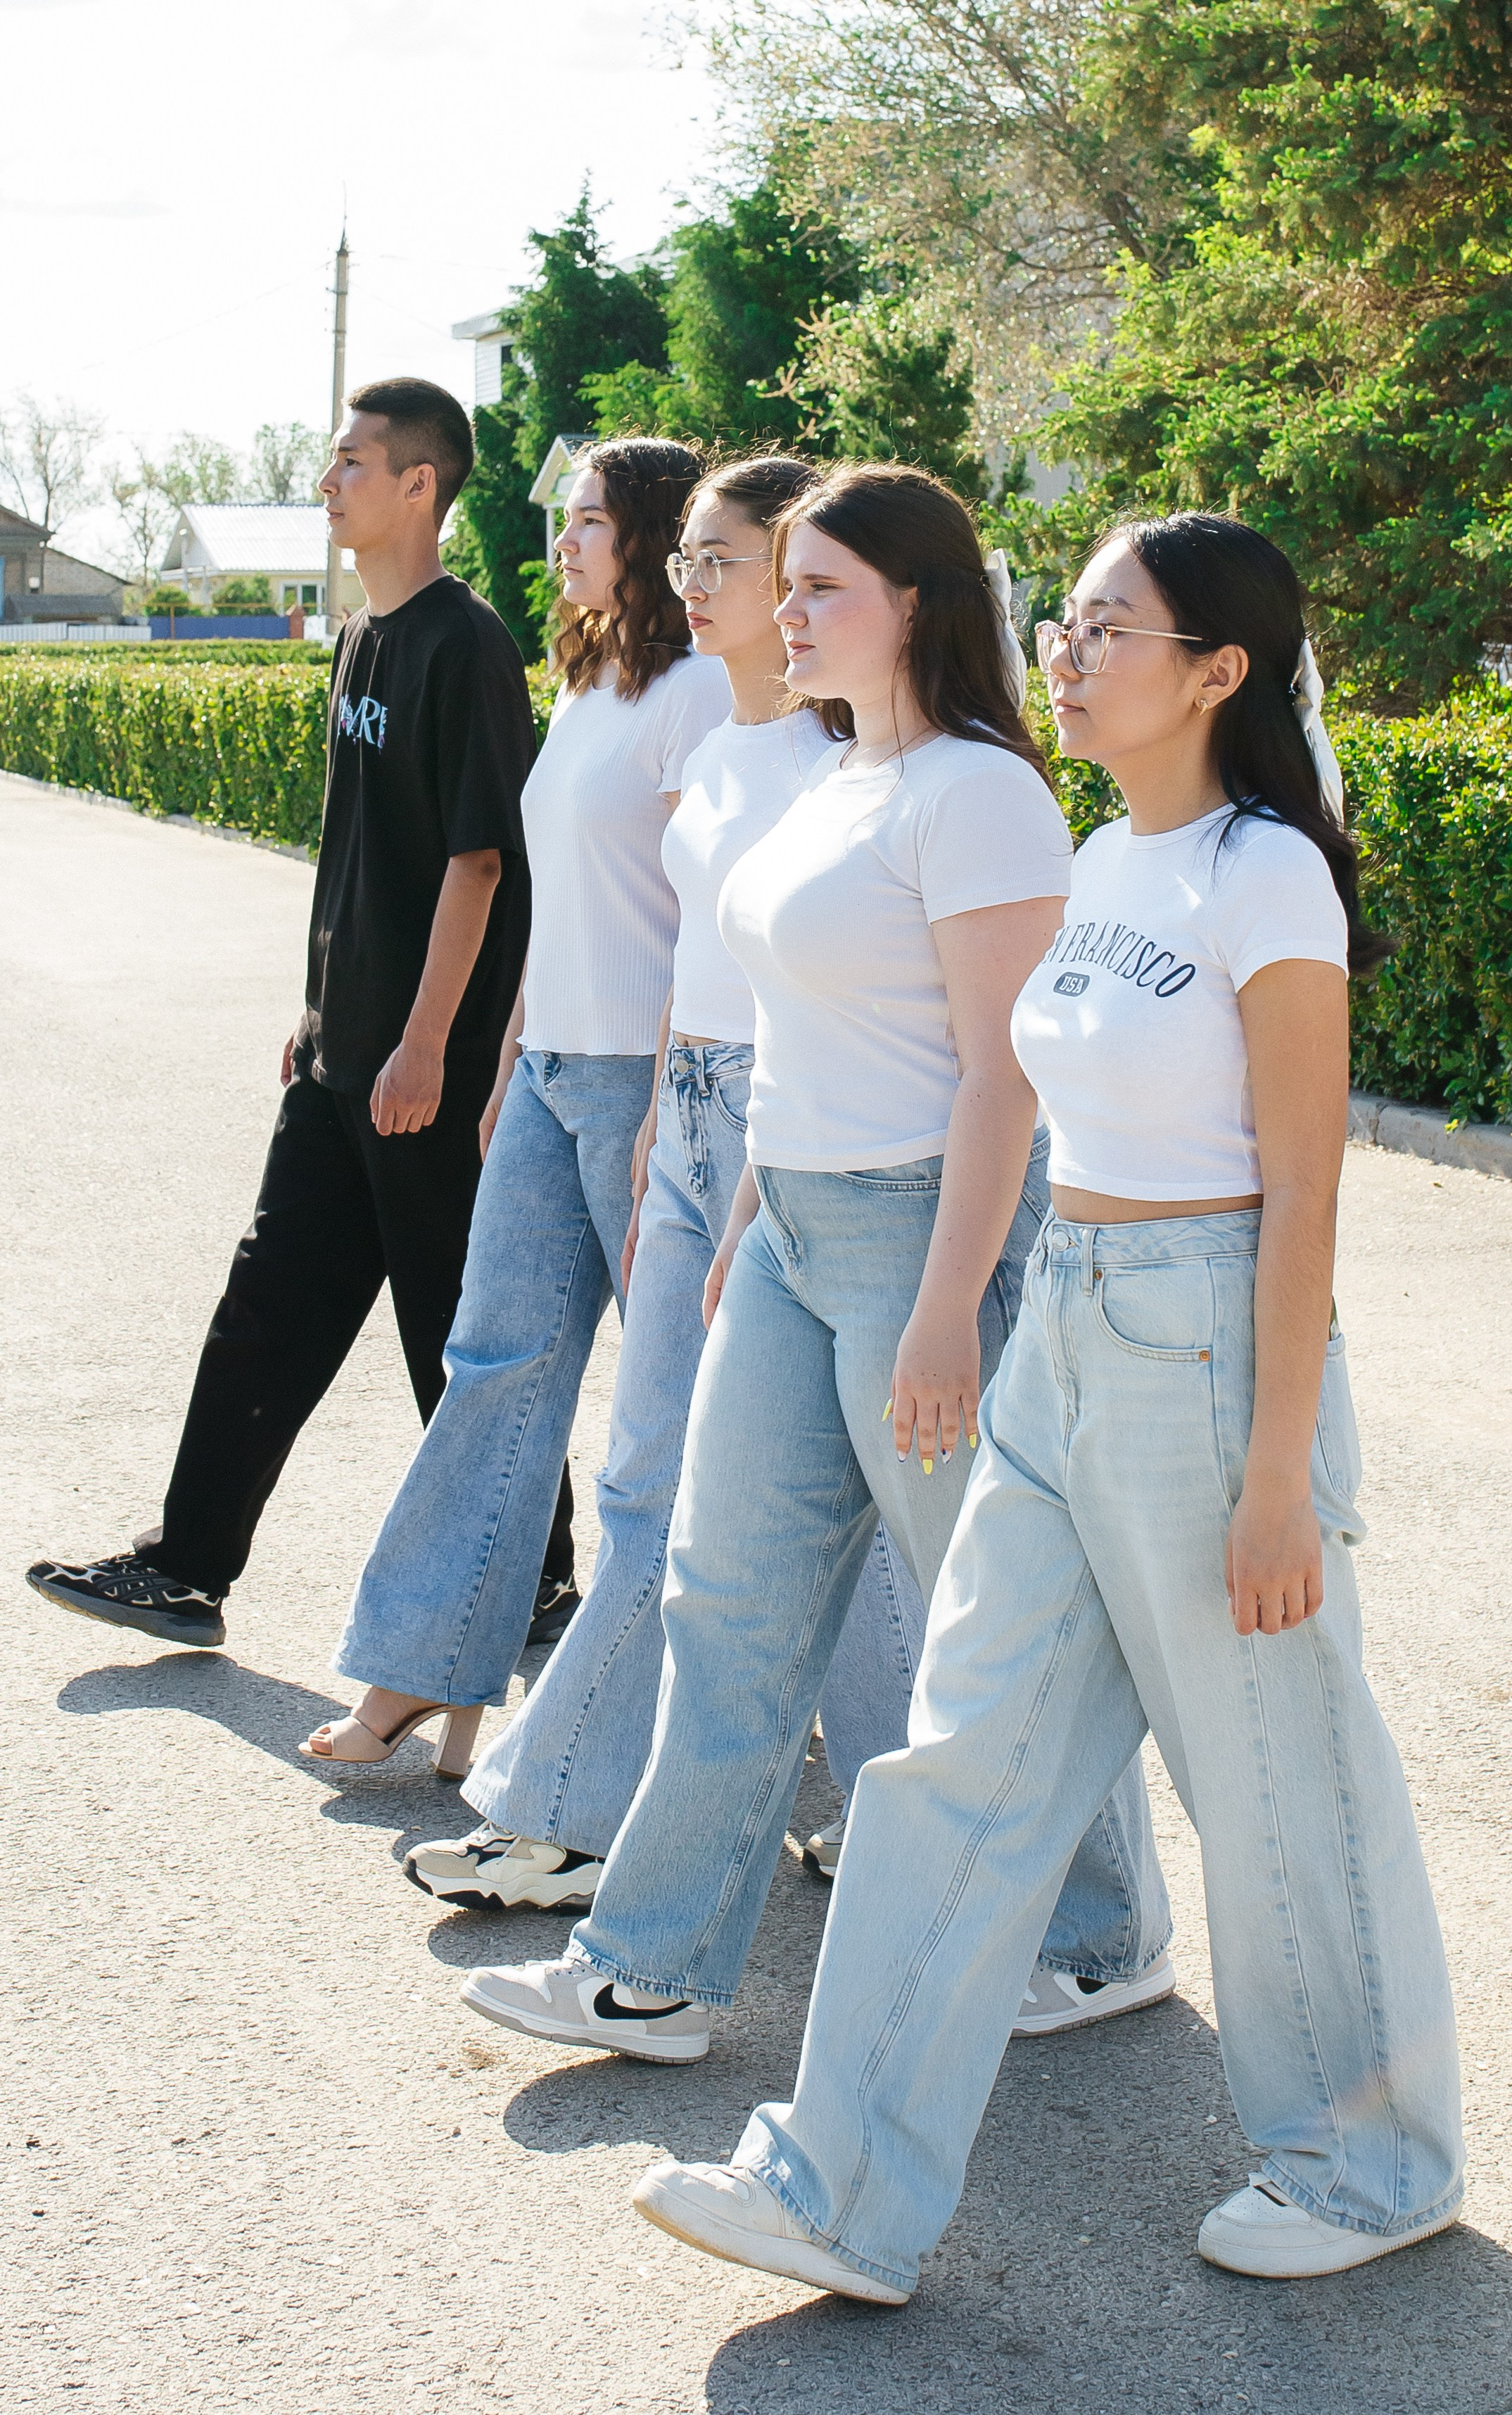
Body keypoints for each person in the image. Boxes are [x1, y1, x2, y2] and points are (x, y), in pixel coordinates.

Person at [630, 512, 1466, 2297]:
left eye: (1111, 632)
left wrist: (1274, 1477)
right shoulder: (1098, 865)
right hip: (1067, 1337)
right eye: (1066, 624)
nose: (1068, 656)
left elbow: (1305, 1192)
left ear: (1218, 673)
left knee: (1274, 1773)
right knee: (949, 1766)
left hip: (1206, 1342)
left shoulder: (1265, 878)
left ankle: (1373, 2158)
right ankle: (832, 2186)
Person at [456, 463, 1170, 2060]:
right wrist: (753, 1226)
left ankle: (1106, 1929)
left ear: (915, 603)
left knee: (986, 1608)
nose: (786, 612)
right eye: (785, 587)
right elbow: (781, 1016)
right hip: (792, 1231)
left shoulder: (980, 792)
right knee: (725, 1601)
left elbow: (1004, 1076)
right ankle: (650, 1966)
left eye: (819, 587)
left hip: (928, 1240)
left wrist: (940, 1315)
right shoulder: (832, 774)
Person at [404, 455, 974, 1915]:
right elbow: (699, 957)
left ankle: (598, 1803)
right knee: (677, 1480)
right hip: (697, 1116)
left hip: (793, 1138)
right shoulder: (723, 752)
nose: (703, 587)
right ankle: (599, 1807)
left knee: (782, 1498)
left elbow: (852, 988)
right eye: (711, 564)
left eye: (738, 563)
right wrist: (665, 1102)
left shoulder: (842, 763)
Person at [27, 377, 550, 1671]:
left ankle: (535, 1583)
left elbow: (479, 861)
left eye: (351, 463)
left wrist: (429, 1041)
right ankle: (185, 1566)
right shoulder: (360, 637)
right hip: (340, 1058)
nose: (330, 483)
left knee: (454, 1331)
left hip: (425, 1067)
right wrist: (324, 1013)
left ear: (420, 484)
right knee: (268, 1304)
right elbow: (357, 853)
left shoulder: (464, 645)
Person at [300, 438, 730, 1770]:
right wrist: (510, 1051)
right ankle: (424, 1671)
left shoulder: (703, 694)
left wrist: (665, 1089)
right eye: (568, 516)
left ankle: (733, 1715)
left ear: (654, 537)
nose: (567, 537)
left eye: (593, 519)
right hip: (551, 1073)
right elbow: (565, 897)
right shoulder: (595, 677)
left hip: (649, 1088)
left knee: (694, 1412)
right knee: (494, 1370)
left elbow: (704, 918)